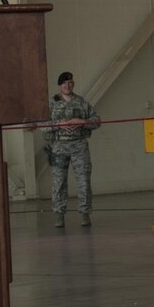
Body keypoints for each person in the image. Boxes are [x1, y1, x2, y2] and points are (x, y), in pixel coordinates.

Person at [47, 71, 100, 227]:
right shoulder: (52, 103)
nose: (67, 85)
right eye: (64, 83)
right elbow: (41, 125)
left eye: (70, 82)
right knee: (59, 182)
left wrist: (82, 121)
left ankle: (84, 214)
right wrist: (58, 125)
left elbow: (97, 121)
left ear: (73, 84)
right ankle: (59, 215)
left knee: (84, 180)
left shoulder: (81, 102)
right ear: (60, 85)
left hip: (79, 145)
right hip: (59, 146)